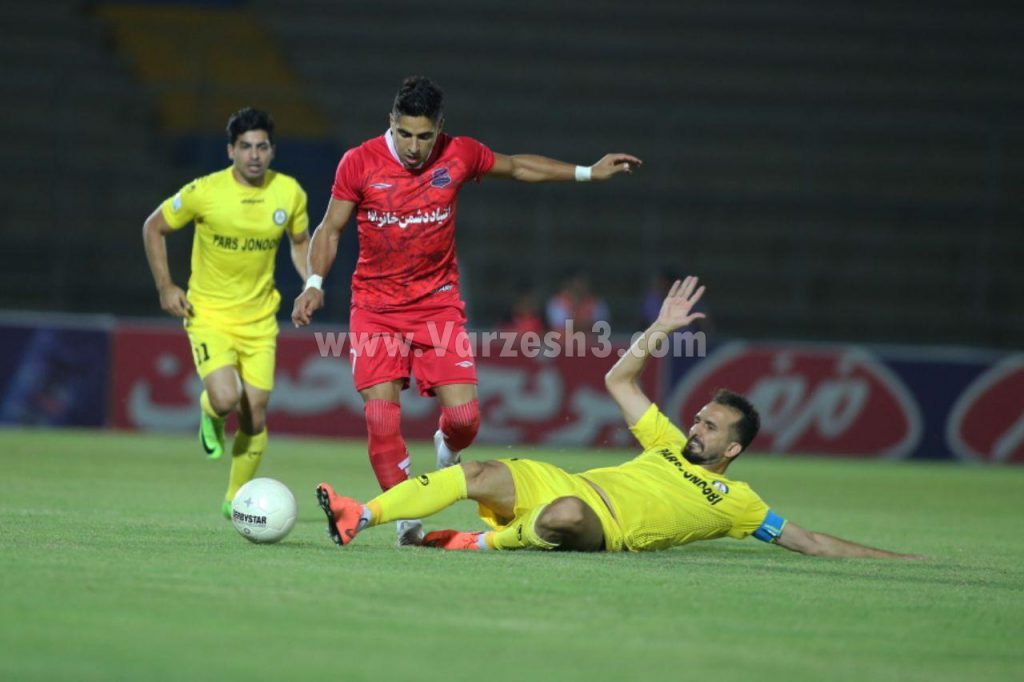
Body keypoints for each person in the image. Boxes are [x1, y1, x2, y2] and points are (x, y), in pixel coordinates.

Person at [314, 276, 923, 559]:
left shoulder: (734, 501)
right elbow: (617, 378)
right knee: (482, 473)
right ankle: (361, 514)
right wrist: (658, 329)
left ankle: (475, 542)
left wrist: (904, 561)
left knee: (565, 517)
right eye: (700, 418)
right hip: (566, 481)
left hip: (597, 522)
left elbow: (810, 541)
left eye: (711, 427)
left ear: (733, 450)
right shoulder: (664, 444)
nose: (696, 428)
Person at [291, 76, 642, 545]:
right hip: (375, 308)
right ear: (390, 124)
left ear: (440, 129)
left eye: (424, 135)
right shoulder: (359, 163)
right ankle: (407, 520)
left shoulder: (459, 154)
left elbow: (518, 167)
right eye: (404, 134)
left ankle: (444, 452)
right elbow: (330, 229)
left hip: (437, 306)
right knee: (381, 418)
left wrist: (587, 172)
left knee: (463, 422)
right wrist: (313, 283)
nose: (414, 147)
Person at [142, 107, 310, 518]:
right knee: (225, 396)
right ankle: (209, 414)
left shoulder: (289, 192)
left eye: (262, 147)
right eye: (246, 147)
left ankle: (234, 499)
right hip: (209, 314)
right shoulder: (205, 191)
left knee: (255, 413)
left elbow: (300, 242)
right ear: (230, 150)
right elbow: (153, 227)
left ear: (272, 151)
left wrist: (311, 284)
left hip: (259, 320)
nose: (254, 155)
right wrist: (166, 286)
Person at [546, 269, 611, 334]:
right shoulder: (557, 301)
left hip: (591, 343)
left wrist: (576, 323)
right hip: (563, 342)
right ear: (568, 283)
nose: (581, 285)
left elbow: (602, 325)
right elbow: (560, 325)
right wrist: (587, 323)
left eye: (583, 281)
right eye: (578, 282)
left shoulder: (596, 302)